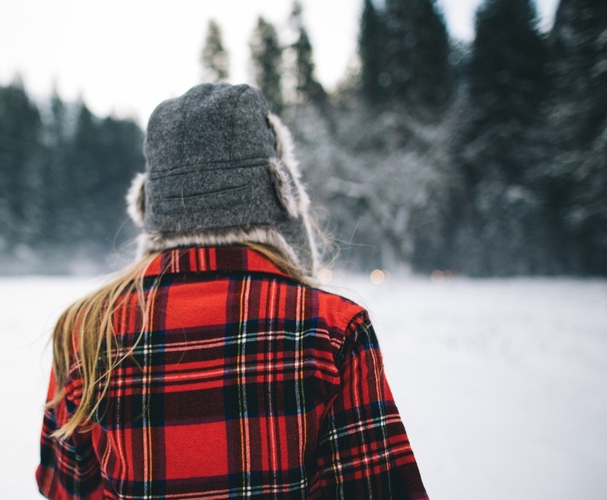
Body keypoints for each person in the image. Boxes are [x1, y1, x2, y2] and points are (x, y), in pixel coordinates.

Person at [36, 83, 427, 499]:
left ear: (151, 203)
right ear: (279, 193)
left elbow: (67, 489)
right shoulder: (332, 328)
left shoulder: (85, 329)